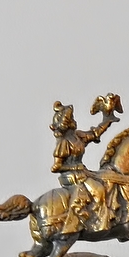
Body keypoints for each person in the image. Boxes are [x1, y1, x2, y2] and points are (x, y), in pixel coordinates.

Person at [49, 96, 120, 234]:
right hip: (71, 177)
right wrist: (76, 167)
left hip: (83, 173)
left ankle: (110, 214)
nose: (73, 121)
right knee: (98, 190)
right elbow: (56, 167)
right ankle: (95, 222)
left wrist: (107, 120)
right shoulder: (63, 143)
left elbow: (95, 133)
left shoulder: (78, 136)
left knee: (109, 178)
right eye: (70, 119)